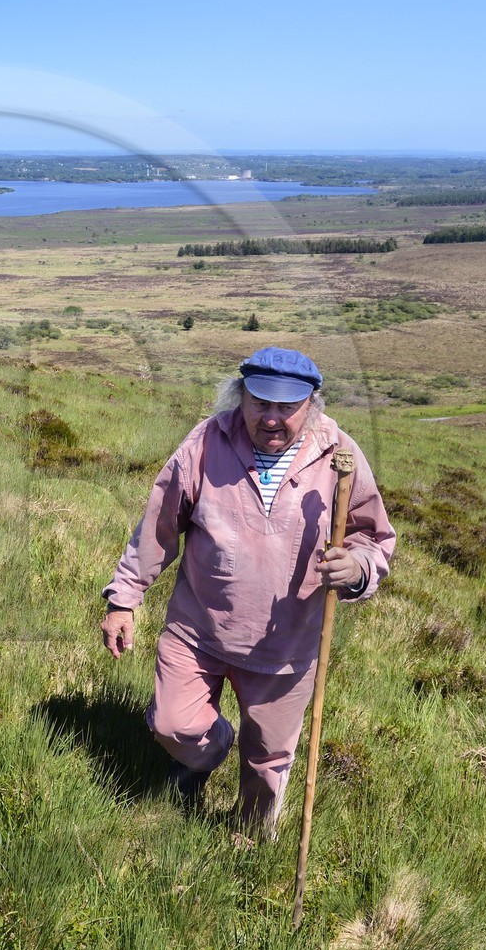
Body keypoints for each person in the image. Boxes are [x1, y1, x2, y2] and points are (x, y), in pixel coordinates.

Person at [99, 346, 395, 835]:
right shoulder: (206, 442)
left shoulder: (339, 456)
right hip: (198, 631)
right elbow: (159, 525)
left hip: (286, 646)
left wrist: (358, 569)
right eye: (261, 404)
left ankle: (252, 841)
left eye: (287, 408)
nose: (272, 419)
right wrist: (124, 597)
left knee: (267, 760)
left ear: (311, 405)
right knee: (173, 725)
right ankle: (207, 754)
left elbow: (374, 538)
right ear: (241, 397)